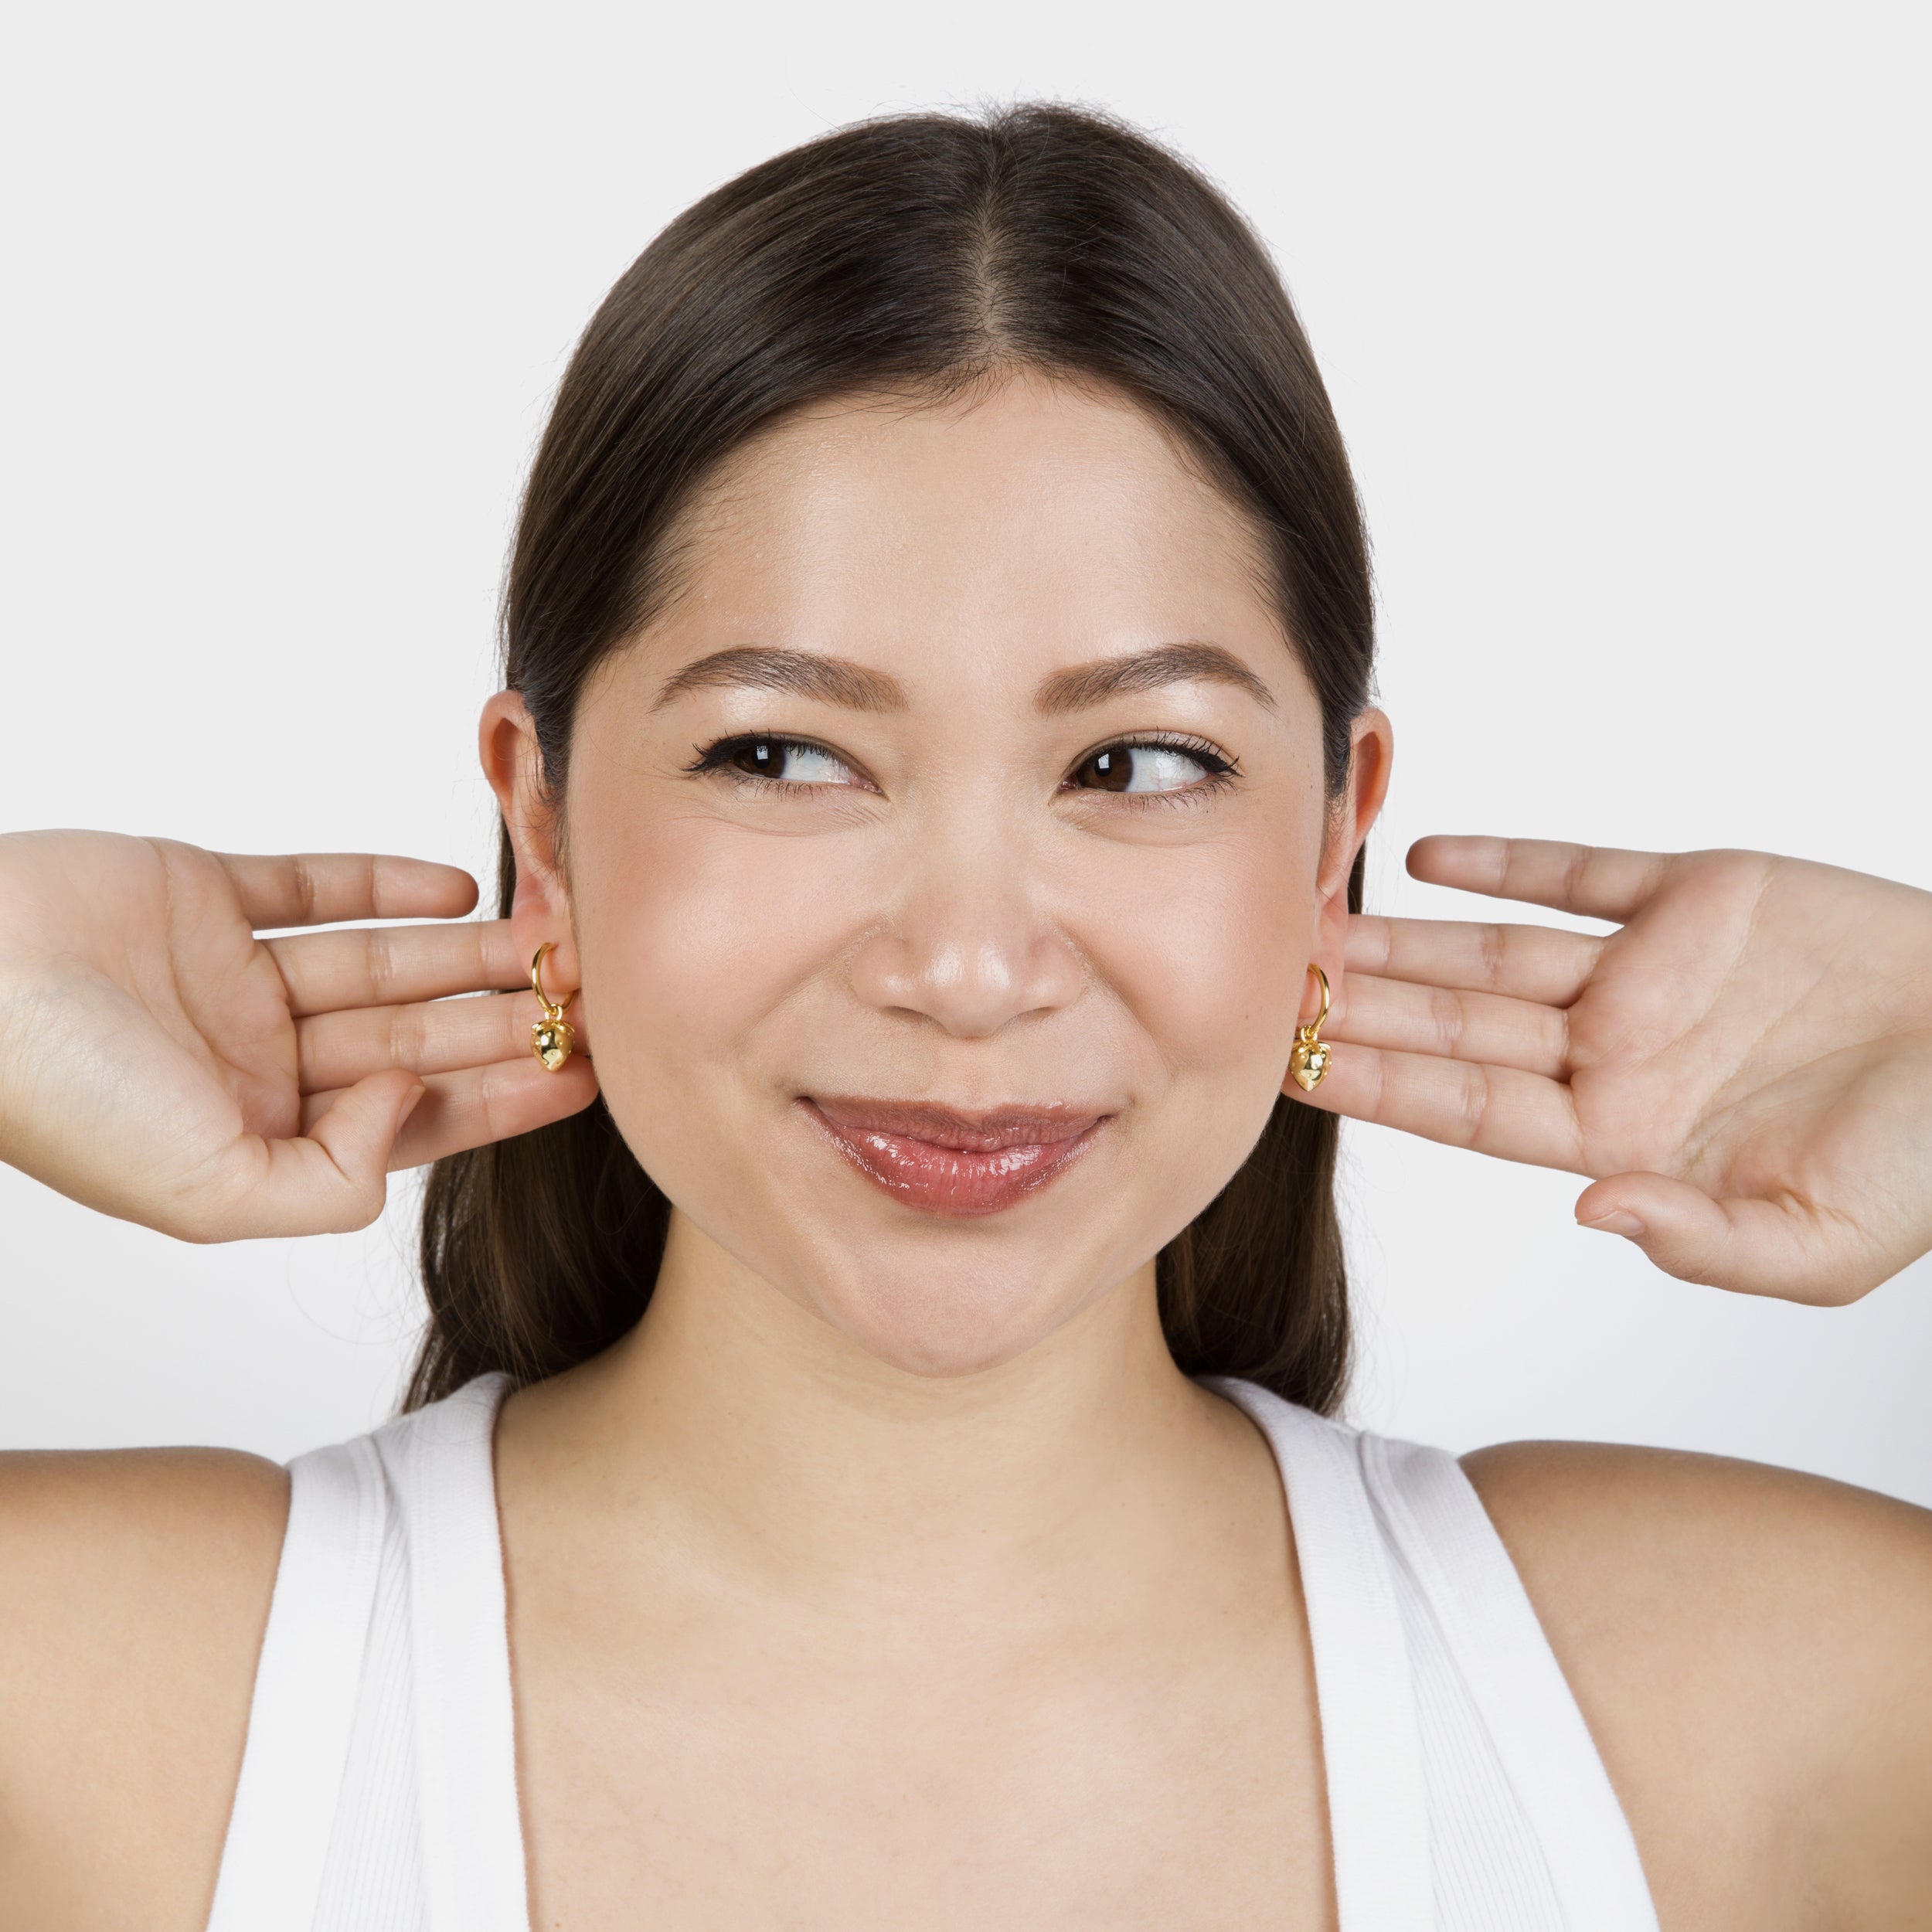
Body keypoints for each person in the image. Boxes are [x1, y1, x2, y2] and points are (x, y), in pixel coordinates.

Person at [1, 103, 1927, 1932]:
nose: (970, 962)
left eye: (1136, 759)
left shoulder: (1751, 1702)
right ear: (542, 816)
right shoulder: (101, 1701)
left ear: (1334, 826)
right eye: (781, 750)